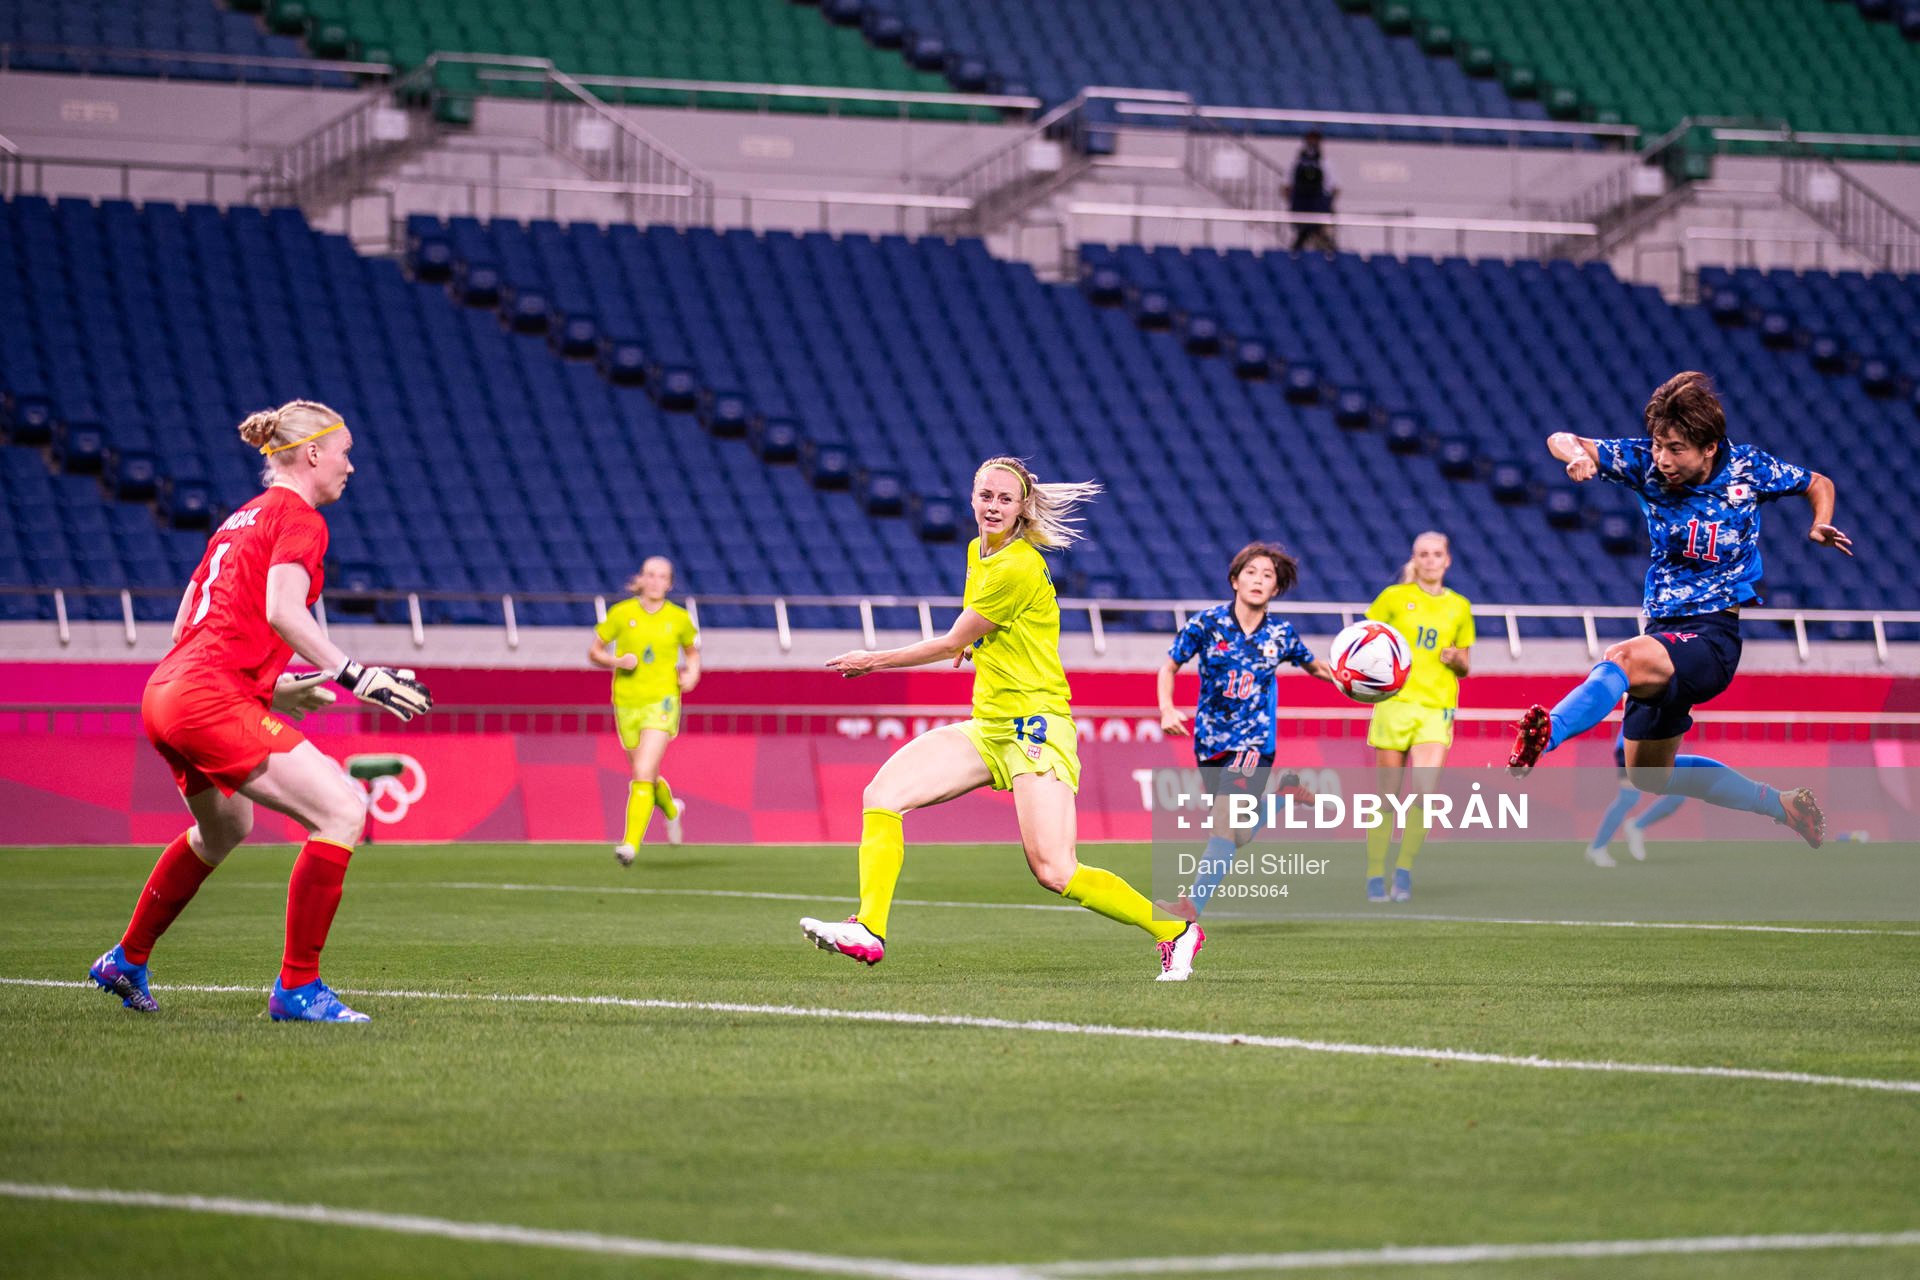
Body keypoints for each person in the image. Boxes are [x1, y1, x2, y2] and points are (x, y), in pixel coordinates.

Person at [88, 400, 432, 1023]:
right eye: (345, 452)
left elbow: (183, 631)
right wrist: (357, 674)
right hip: (206, 697)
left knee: (225, 829)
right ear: (312, 454)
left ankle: (127, 958)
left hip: (167, 692)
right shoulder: (300, 518)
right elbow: (282, 611)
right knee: (343, 809)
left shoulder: (236, 521)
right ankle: (298, 988)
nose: (351, 466)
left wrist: (276, 690)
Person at [800, 457, 1204, 981]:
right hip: (989, 724)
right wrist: (976, 646)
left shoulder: (1015, 566)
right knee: (881, 796)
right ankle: (869, 929)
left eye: (1005, 499)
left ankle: (1174, 931)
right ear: (972, 497)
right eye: (985, 496)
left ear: (1021, 508)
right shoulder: (978, 551)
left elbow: (950, 637)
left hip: (1035, 726)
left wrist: (871, 659)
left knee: (1055, 871)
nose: (993, 507)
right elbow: (976, 630)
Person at [1508, 371, 1849, 847]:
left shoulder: (1749, 469)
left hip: (1712, 639)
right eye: (1658, 445)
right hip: (1664, 635)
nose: (1662, 459)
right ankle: (1783, 805)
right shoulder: (1646, 464)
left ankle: (1549, 733)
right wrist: (1577, 459)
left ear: (1710, 447)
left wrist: (1821, 523)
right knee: (1648, 775)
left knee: (1621, 658)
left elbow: (1818, 482)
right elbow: (1561, 438)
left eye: (1675, 448)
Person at [1156, 541, 1334, 919]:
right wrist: (1167, 708)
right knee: (1239, 834)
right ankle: (1284, 796)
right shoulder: (1207, 624)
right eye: (1251, 572)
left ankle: (1191, 906)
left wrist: (1353, 681)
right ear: (1235, 581)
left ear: (1275, 588)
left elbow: (1315, 667)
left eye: (1267, 575)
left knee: (1223, 822)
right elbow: (1168, 667)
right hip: (1208, 742)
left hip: (1254, 744)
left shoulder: (1281, 634)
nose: (1258, 579)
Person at [1362, 532, 1474, 903]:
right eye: (1423, 554)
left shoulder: (1459, 606)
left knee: (1424, 794)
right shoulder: (1394, 598)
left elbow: (1466, 665)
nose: (1430, 560)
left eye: (1437, 554)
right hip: (1394, 704)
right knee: (1387, 797)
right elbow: (1365, 640)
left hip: (1434, 707)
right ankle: (1376, 872)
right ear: (1415, 559)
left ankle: (1404, 871)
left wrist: (1455, 659)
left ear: (1447, 560)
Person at [589, 556, 699, 864]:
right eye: (650, 575)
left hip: (662, 701)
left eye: (661, 576)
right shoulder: (622, 614)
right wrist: (616, 661)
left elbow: (692, 654)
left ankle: (630, 845)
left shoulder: (678, 619)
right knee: (645, 774)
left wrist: (692, 673)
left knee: (641, 771)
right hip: (627, 701)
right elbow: (594, 651)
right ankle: (672, 808)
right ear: (641, 578)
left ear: (669, 583)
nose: (655, 581)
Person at [1585, 728, 1687, 867]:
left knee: (1677, 795)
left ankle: (1637, 826)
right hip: (1632, 745)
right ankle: (1597, 848)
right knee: (1628, 798)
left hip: (1655, 749)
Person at [1286, 129, 1338, 254]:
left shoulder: (1325, 163)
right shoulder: (1297, 162)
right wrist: (1293, 203)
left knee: (1318, 235)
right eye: (1310, 139)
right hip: (1301, 204)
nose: (1312, 142)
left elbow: (1334, 187)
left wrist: (1327, 205)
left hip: (1318, 204)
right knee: (1303, 233)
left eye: (1315, 139)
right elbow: (1287, 186)